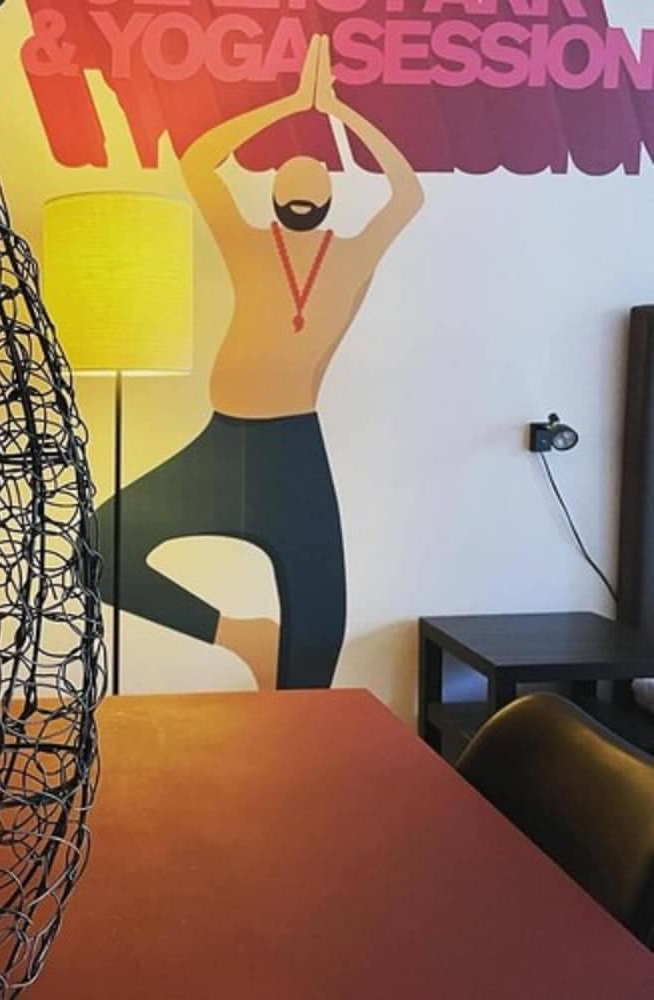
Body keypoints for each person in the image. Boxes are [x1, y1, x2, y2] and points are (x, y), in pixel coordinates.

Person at [97, 34, 423, 690]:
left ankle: (295, 735)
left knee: (316, 641)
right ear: (273, 194)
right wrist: (288, 106)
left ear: (329, 197)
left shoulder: (350, 255)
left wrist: (338, 113)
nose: (300, 193)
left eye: (313, 184)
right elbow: (199, 162)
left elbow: (408, 194)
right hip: (222, 447)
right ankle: (244, 636)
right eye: (289, 183)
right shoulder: (249, 242)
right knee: (96, 547)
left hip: (293, 453)